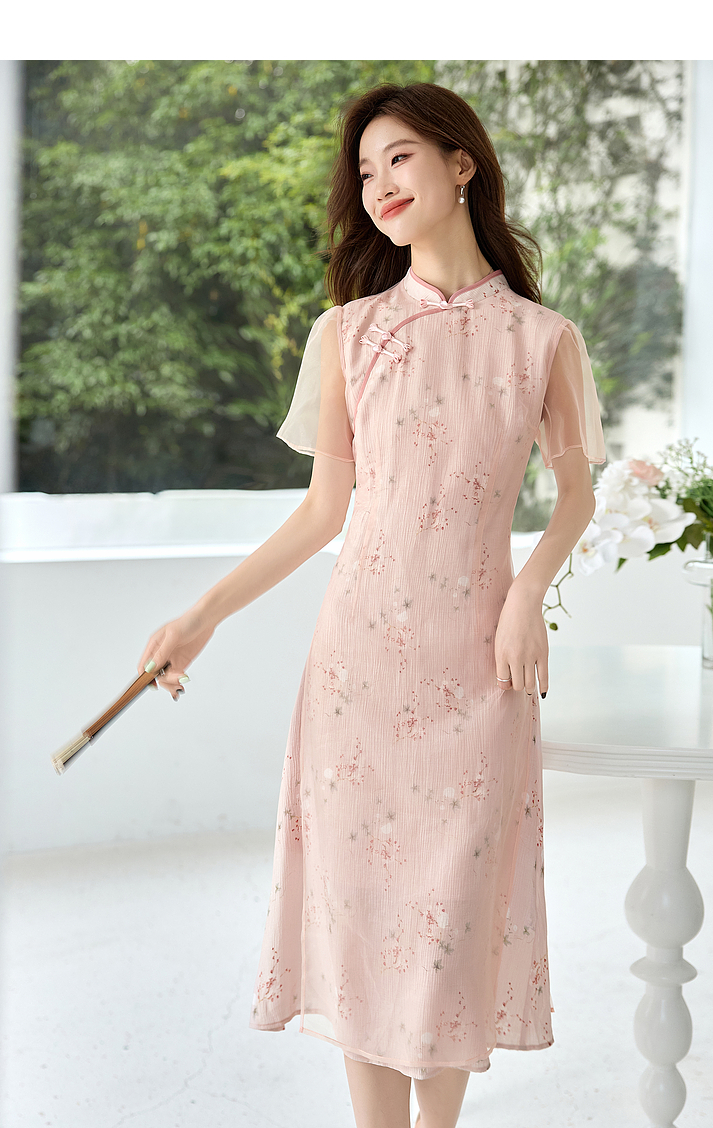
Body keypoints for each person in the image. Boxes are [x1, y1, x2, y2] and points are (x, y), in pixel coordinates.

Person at [138, 82, 606, 1128]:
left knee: (449, 918)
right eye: (364, 171)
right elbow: (322, 513)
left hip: (478, 669)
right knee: (361, 916)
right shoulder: (347, 335)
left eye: (398, 158)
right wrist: (203, 615)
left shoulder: (544, 340)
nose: (379, 184)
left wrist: (529, 591)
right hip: (359, 669)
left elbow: (576, 495)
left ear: (460, 164)